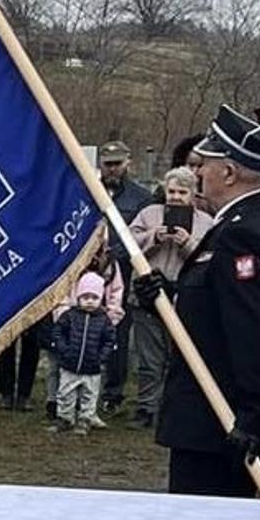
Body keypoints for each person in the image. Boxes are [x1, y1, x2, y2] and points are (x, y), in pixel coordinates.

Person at [147, 105, 260, 498]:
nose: (196, 174)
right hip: (209, 417)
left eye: (204, 165)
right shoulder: (241, 223)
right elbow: (215, 305)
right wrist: (166, 296)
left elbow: (256, 330)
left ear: (229, 173)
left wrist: (252, 417)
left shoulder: (245, 233)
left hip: (220, 421)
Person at [125, 167, 214, 429]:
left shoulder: (206, 222)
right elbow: (127, 242)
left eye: (182, 192)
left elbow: (210, 259)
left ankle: (173, 409)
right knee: (149, 359)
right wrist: (154, 237)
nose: (175, 197)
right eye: (172, 191)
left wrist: (188, 243)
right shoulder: (148, 214)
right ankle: (145, 408)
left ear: (192, 194)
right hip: (146, 294)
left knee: (179, 358)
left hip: (184, 298)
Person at [94, 140, 151, 417]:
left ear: (128, 163)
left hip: (123, 272)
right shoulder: (87, 191)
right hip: (89, 271)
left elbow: (142, 234)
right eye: (108, 164)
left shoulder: (142, 197)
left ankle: (113, 393)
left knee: (117, 333)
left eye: (118, 164)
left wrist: (113, 255)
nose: (113, 169)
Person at [50, 272, 118, 434]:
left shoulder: (104, 320)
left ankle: (85, 419)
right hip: (69, 364)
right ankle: (65, 418)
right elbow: (58, 333)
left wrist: (101, 358)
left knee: (90, 395)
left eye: (94, 298)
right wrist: (64, 350)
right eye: (85, 297)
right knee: (65, 393)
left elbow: (109, 341)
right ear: (78, 298)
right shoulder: (69, 316)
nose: (89, 301)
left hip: (92, 368)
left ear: (100, 299)